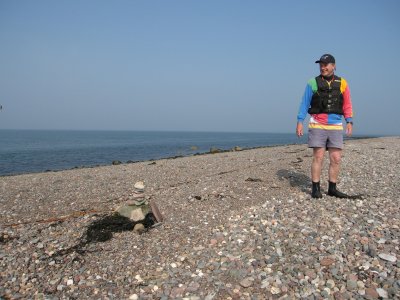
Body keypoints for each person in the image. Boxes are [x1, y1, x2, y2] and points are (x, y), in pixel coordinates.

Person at [296, 54, 353, 198]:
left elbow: (347, 104)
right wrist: (300, 121)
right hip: (317, 124)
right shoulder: (312, 83)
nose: (323, 67)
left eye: (326, 64)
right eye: (321, 64)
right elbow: (304, 103)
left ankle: (332, 188)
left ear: (334, 66)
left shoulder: (343, 83)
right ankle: (316, 188)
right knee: (318, 157)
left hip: (335, 125)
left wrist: (349, 121)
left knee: (336, 158)